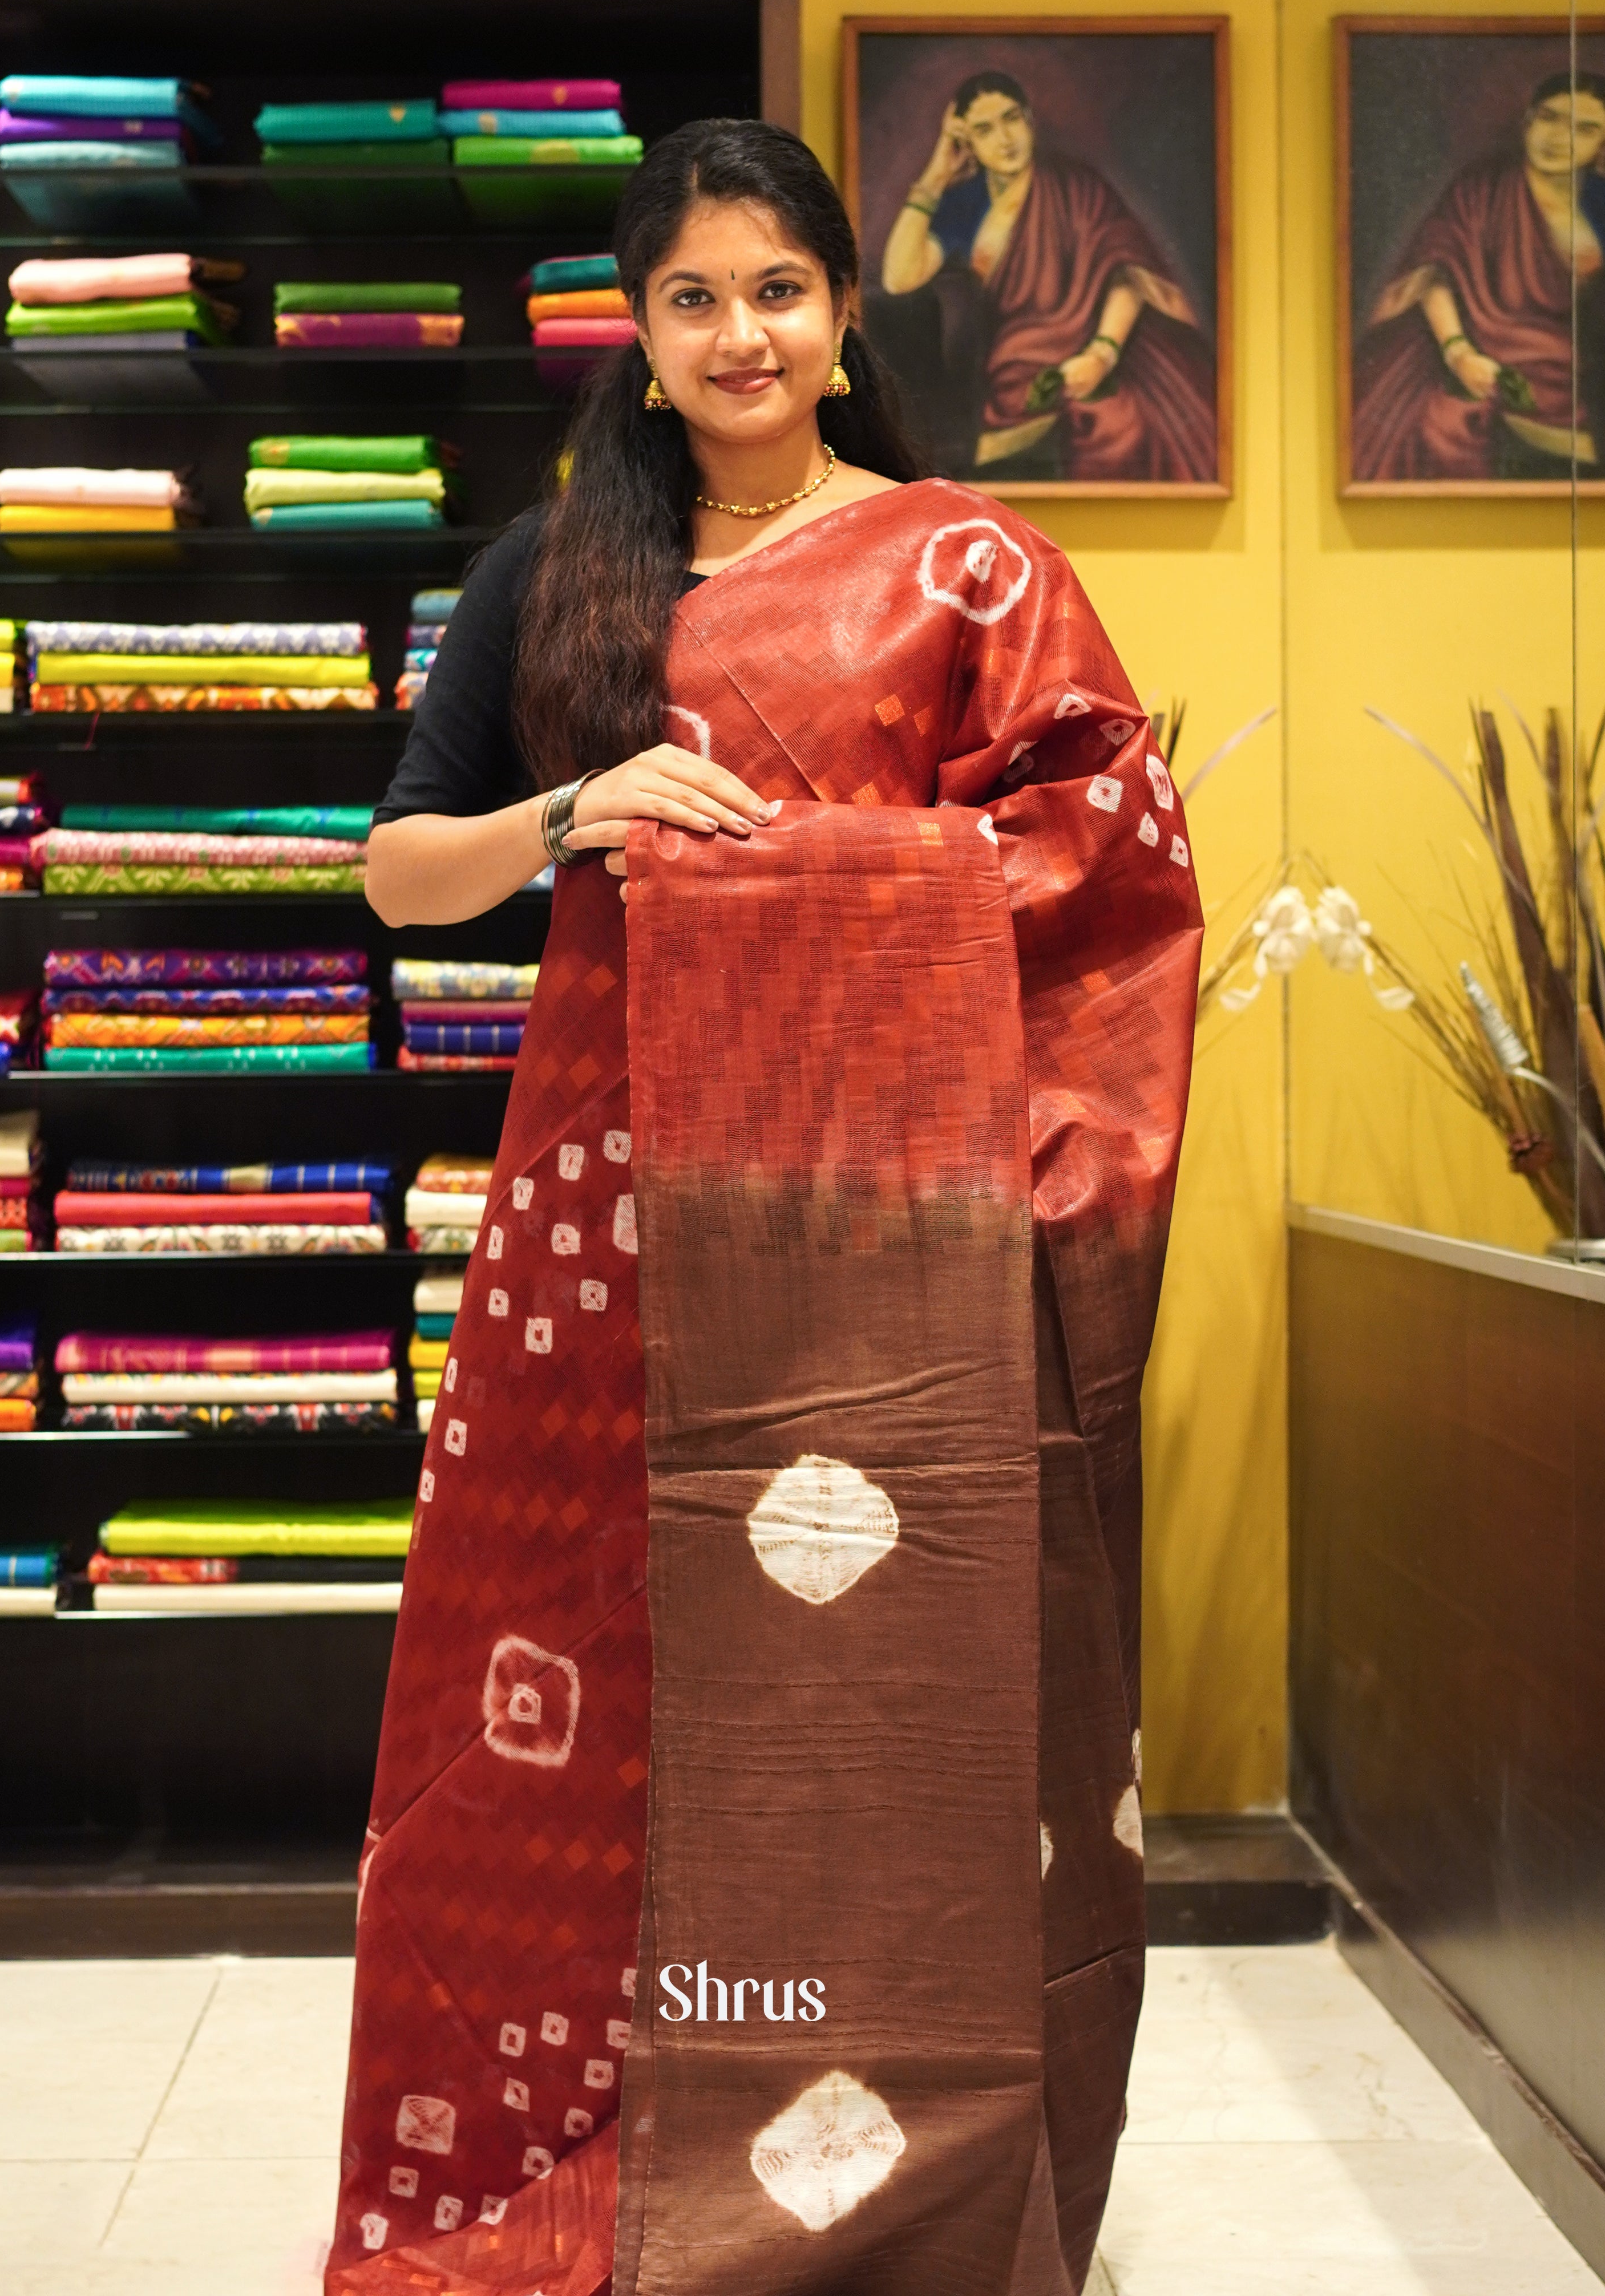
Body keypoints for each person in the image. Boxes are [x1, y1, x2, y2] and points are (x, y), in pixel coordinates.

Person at [331, 116, 1201, 2296]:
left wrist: (823, 877)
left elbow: (1108, 849)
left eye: (777, 289)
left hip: (886, 1225)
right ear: (636, 340)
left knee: (884, 1707)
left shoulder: (958, 565)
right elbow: (398, 873)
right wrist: (575, 802)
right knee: (594, 1678)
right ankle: (611, 2174)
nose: (739, 332)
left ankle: (900, 2188)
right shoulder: (554, 575)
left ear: (837, 317)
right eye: (692, 296)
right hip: (613, 1227)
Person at [871, 69, 1216, 481]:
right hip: (1009, 373)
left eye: (1011, 119)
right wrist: (936, 174)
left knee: (1120, 425)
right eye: (985, 129)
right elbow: (899, 278)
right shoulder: (966, 205)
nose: (1005, 138)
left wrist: (1100, 355)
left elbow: (1128, 274)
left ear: (1030, 120)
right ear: (968, 144)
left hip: (1097, 355)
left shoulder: (1076, 188)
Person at [1352, 71, 1605, 482]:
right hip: (1493, 363)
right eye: (1550, 118)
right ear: (1528, 122)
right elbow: (1433, 272)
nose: (1560, 137)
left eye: (1585, 128)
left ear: (1601, 146)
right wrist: (1459, 352)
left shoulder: (1600, 203)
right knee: (1441, 426)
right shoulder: (1482, 193)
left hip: (1588, 375)